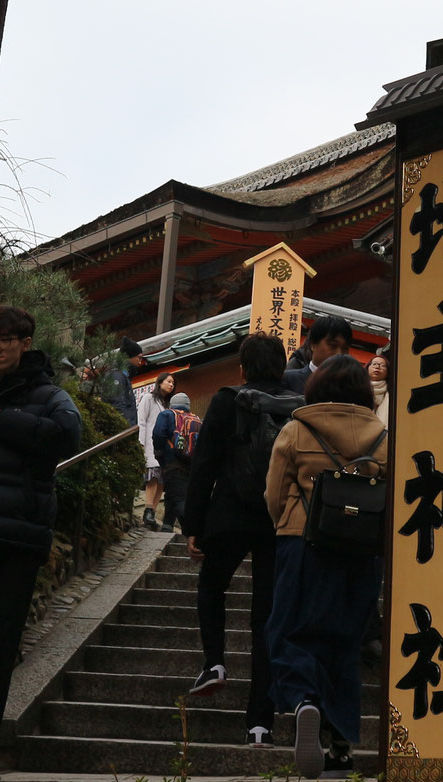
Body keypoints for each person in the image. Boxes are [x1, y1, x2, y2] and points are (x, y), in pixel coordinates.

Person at [0, 305, 83, 780]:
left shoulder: (49, 394)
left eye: (5, 339)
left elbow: (69, 435)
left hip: (20, 536)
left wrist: (4, 420)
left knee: (2, 645)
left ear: (26, 343)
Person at [265, 356, 389, 779]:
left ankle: (304, 701)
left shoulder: (297, 428)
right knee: (346, 641)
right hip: (362, 553)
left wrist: (289, 523)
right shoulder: (384, 436)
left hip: (303, 546)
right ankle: (340, 746)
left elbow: (274, 493)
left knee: (289, 629)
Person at [181, 333, 302, 745]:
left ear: (243, 368)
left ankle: (214, 662)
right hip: (278, 520)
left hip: (229, 516)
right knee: (265, 618)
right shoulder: (296, 405)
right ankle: (259, 724)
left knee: (212, 585)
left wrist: (192, 524)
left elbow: (204, 465)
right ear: (282, 366)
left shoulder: (226, 399)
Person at [152, 393, 201, 536]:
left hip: (172, 461)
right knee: (173, 492)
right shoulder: (196, 419)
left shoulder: (167, 415)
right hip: (191, 463)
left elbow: (159, 434)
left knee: (179, 498)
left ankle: (194, 533)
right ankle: (167, 525)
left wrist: (159, 453)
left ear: (172, 403)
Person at [135, 372, 177, 530]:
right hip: (150, 444)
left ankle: (151, 512)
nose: (171, 385)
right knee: (153, 477)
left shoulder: (167, 405)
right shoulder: (148, 398)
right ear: (160, 382)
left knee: (161, 480)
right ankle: (147, 509)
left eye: (173, 383)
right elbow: (142, 421)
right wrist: (141, 442)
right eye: (168, 381)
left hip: (163, 448)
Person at [281, 315, 353, 395]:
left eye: (345, 348)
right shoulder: (288, 380)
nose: (339, 353)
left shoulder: (351, 388)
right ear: (313, 344)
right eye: (333, 345)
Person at [99, 339, 147, 427]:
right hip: (121, 430)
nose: (140, 362)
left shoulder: (123, 376)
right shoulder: (116, 375)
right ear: (129, 356)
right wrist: (127, 428)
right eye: (139, 357)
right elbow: (117, 404)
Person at [367, 349, 392, 428]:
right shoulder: (358, 388)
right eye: (374, 364)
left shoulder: (392, 393)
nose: (377, 367)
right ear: (368, 368)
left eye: (382, 365)